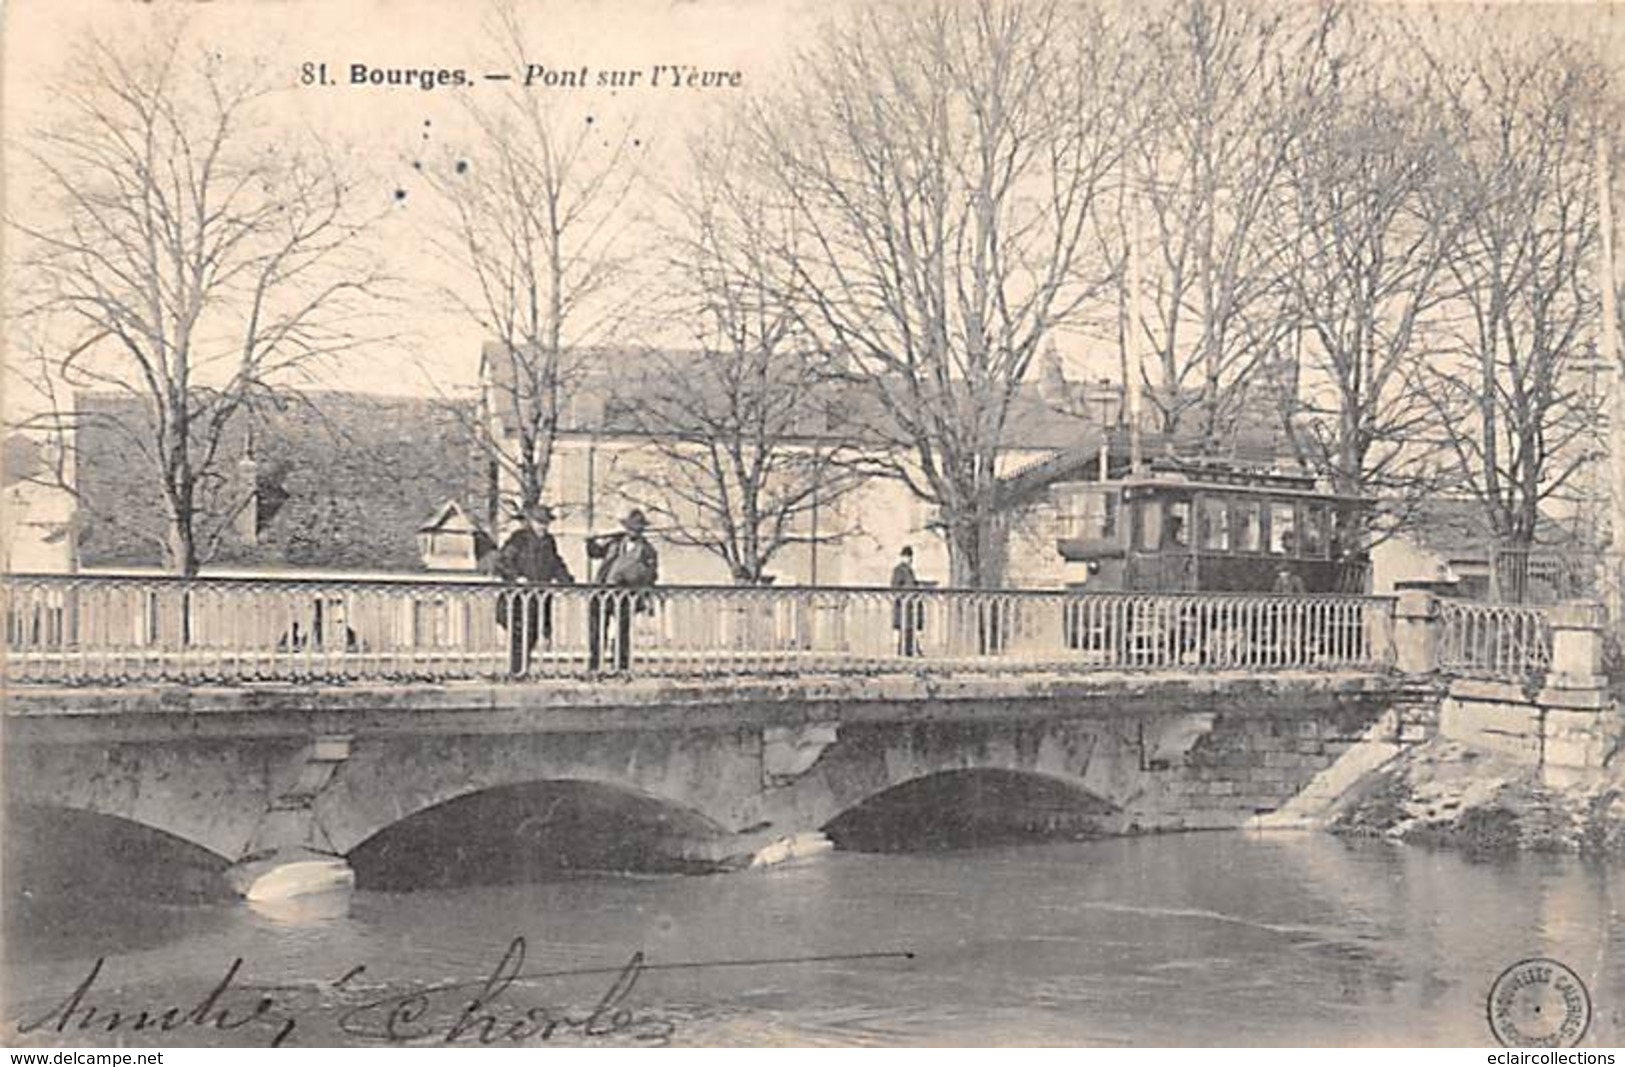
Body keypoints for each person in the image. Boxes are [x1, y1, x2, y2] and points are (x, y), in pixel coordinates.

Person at [494, 502, 574, 675]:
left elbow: (556, 563)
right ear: (531, 522)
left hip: (540, 596)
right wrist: (516, 577)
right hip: (517, 597)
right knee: (519, 634)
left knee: (533, 634)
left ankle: (522, 670)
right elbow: (503, 561)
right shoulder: (519, 538)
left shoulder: (549, 541)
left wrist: (567, 581)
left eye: (546, 523)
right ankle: (517, 672)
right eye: (540, 523)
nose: (543, 527)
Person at [586, 509, 660, 672]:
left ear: (641, 530)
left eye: (637, 528)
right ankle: (595, 665)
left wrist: (636, 578)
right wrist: (590, 541)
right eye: (630, 527)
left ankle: (621, 666)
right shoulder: (614, 543)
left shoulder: (648, 550)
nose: (633, 531)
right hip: (603, 591)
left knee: (622, 631)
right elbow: (595, 553)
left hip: (627, 594)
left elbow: (652, 574)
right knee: (597, 630)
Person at [890, 546, 924, 657]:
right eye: (907, 557)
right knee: (906, 629)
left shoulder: (909, 570)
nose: (910, 559)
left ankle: (913, 650)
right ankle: (906, 651)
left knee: (911, 629)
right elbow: (895, 587)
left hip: (910, 606)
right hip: (904, 606)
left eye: (910, 557)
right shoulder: (899, 570)